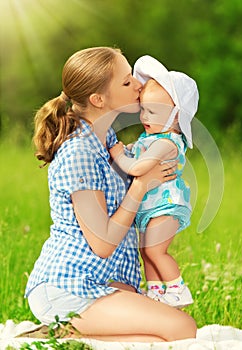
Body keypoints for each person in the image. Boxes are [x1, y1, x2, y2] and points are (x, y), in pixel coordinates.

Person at [25, 47, 197, 342]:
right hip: (69, 285)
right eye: (127, 81)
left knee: (161, 337)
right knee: (182, 329)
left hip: (104, 281)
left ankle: (71, 335)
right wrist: (141, 185)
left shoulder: (107, 140)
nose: (139, 86)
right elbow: (102, 242)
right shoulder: (79, 151)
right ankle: (66, 334)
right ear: (98, 99)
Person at [110, 55, 199, 308]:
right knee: (145, 251)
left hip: (167, 205)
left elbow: (139, 168)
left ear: (175, 118)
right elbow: (137, 154)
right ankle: (156, 293)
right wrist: (128, 150)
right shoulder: (150, 138)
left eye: (153, 111)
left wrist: (117, 154)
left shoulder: (166, 143)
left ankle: (177, 288)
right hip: (152, 207)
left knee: (155, 251)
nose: (144, 117)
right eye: (143, 110)